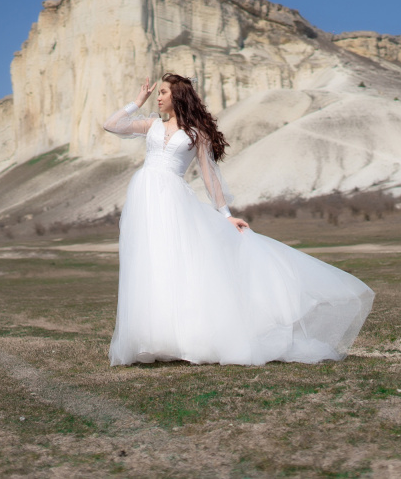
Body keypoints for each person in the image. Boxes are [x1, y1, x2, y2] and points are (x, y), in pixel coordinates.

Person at [103, 73, 374, 366]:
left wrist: (226, 216)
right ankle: (149, 340)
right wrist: (137, 102)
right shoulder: (152, 125)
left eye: (163, 92)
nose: (158, 97)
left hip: (174, 201)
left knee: (174, 262)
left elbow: (210, 178)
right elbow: (111, 124)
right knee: (148, 264)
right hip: (144, 199)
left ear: (177, 96)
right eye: (158, 93)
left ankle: (180, 339)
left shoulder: (196, 134)